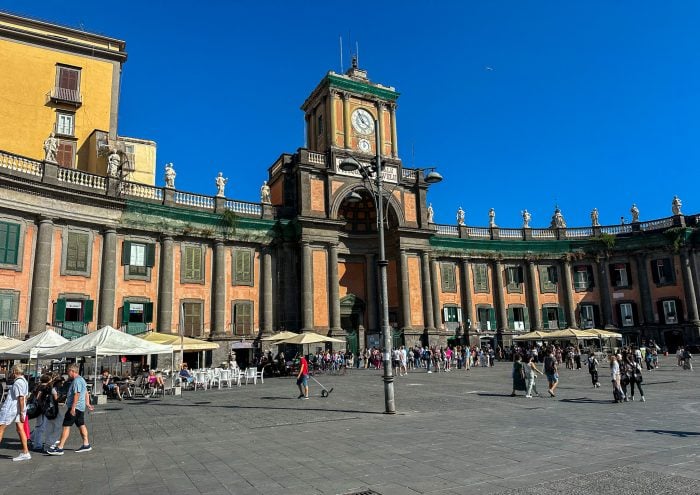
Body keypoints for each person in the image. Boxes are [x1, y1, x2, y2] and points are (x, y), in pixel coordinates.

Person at [47, 364, 94, 455]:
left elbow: (77, 394)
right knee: (81, 424)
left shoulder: (76, 381)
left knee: (66, 426)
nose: (67, 373)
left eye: (68, 371)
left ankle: (60, 448)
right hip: (80, 407)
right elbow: (86, 392)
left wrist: (73, 408)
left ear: (72, 371)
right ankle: (86, 444)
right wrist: (87, 403)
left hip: (75, 407)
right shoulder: (82, 379)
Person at [0, 365, 31, 461]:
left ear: (14, 372)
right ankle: (26, 452)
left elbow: (21, 398)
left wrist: (22, 412)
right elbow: (24, 397)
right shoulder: (24, 381)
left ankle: (26, 452)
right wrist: (22, 411)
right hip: (18, 408)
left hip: (12, 408)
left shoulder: (18, 383)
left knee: (1, 428)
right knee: (20, 429)